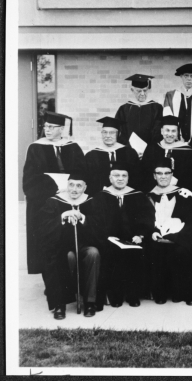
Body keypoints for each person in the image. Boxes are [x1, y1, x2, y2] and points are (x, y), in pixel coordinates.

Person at [23, 111, 86, 276]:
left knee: (68, 240)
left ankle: (71, 280)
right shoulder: (35, 148)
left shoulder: (73, 147)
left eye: (52, 127)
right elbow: (30, 179)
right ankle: (50, 282)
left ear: (62, 129)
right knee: (48, 241)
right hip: (45, 201)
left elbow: (82, 172)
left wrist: (71, 187)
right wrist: (54, 188)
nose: (47, 130)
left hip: (72, 198)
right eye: (46, 127)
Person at [38, 172, 101, 319]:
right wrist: (63, 216)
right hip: (61, 246)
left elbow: (100, 227)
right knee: (63, 257)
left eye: (79, 186)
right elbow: (43, 228)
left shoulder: (91, 201)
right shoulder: (53, 201)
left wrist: (83, 217)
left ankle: (89, 302)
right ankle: (60, 304)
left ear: (85, 187)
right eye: (71, 184)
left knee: (94, 253)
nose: (74, 189)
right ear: (67, 185)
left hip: (85, 245)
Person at [91, 162, 154, 307]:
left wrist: (140, 235)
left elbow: (148, 217)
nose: (120, 179)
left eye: (124, 176)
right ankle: (115, 296)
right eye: (116, 175)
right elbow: (95, 221)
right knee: (110, 257)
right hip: (108, 240)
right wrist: (106, 236)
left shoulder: (138, 196)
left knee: (136, 256)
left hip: (134, 239)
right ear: (110, 178)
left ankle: (133, 295)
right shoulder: (100, 197)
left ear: (128, 178)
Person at [147, 158, 192, 305]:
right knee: (155, 251)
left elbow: (191, 220)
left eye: (167, 173)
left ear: (171, 175)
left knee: (181, 252)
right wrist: (152, 231)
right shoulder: (148, 195)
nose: (163, 176)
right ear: (154, 176)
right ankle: (160, 294)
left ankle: (182, 293)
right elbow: (145, 219)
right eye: (159, 173)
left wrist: (176, 236)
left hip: (180, 237)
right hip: (157, 236)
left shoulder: (184, 194)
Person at [141, 115, 192, 193]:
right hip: (155, 191)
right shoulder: (152, 148)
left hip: (179, 191)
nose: (170, 134)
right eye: (167, 130)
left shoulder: (187, 151)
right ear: (162, 131)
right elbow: (145, 172)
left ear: (177, 132)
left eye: (173, 131)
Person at [84, 117, 141, 196]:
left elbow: (136, 177)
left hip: (125, 195)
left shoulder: (129, 153)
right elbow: (88, 179)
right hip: (99, 196)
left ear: (118, 134)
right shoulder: (91, 155)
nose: (107, 136)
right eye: (104, 132)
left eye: (111, 133)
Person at [115, 74, 163, 155]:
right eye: (139, 91)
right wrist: (129, 148)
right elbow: (120, 133)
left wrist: (148, 149)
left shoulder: (156, 107)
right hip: (129, 152)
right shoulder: (124, 109)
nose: (142, 94)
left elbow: (158, 132)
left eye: (145, 90)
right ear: (132, 90)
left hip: (150, 152)